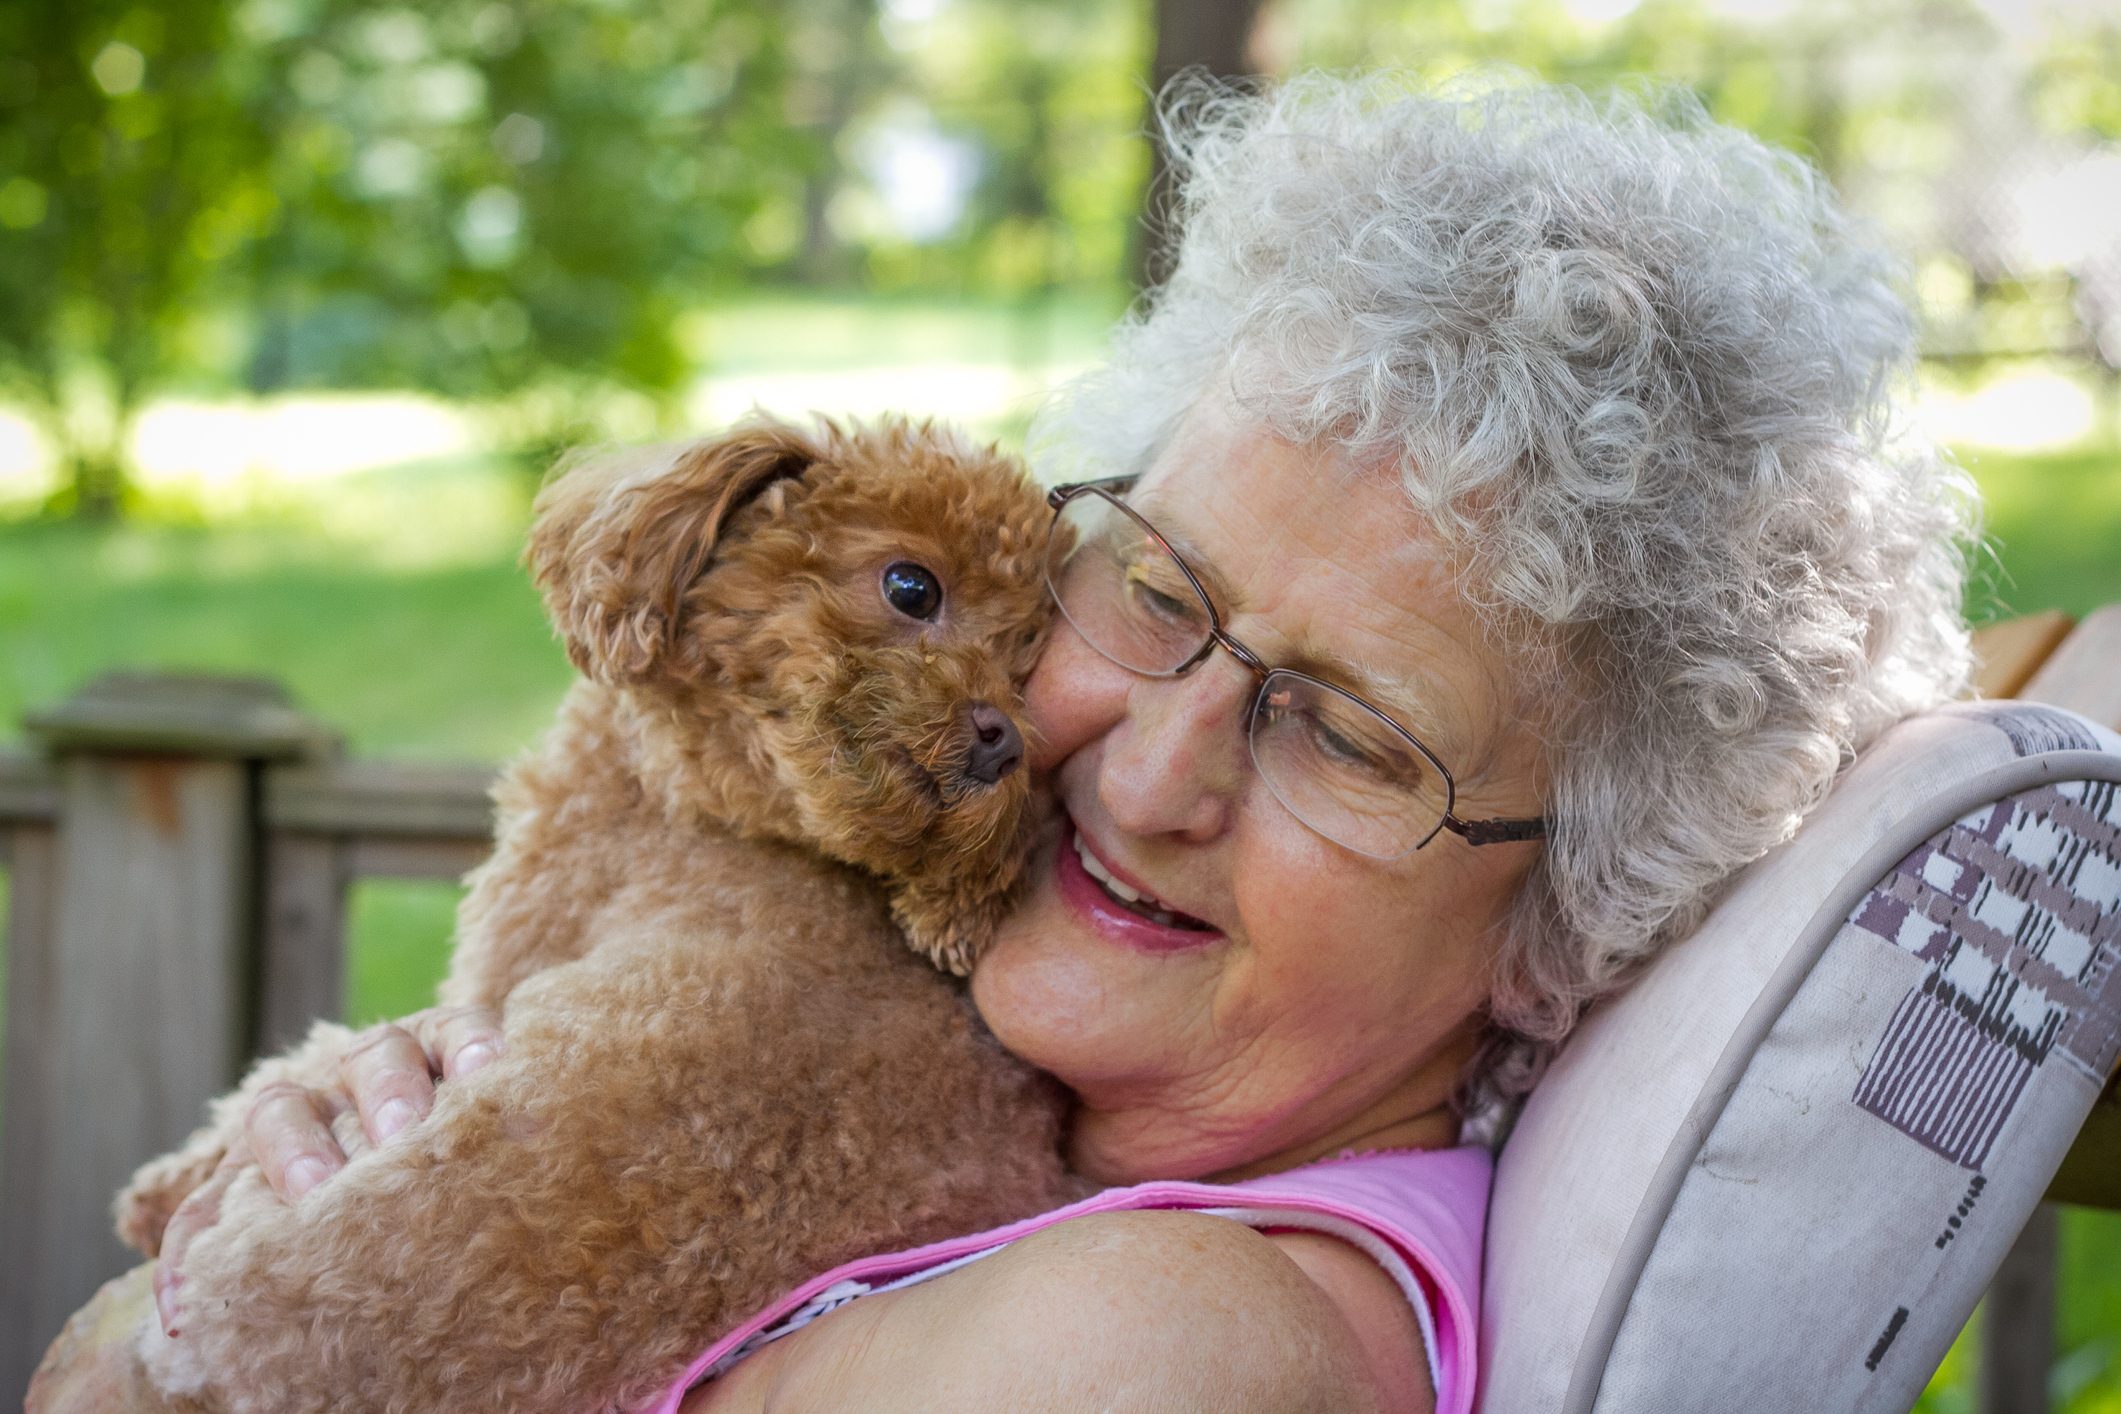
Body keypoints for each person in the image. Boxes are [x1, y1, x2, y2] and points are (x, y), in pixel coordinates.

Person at [158, 71, 1977, 1411]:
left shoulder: (1163, 1343)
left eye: (1346, 736)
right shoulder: (890, 1061)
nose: (1144, 772)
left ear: (1571, 911)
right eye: (1157, 592)